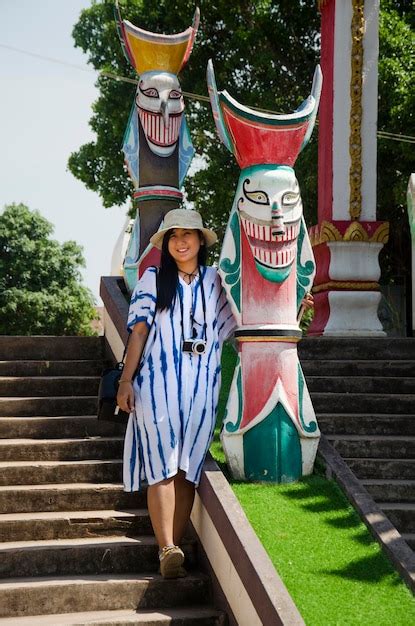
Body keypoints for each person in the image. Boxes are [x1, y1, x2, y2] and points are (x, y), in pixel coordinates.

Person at [116, 208, 236, 579]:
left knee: (188, 471)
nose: (181, 241)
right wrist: (125, 380)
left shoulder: (217, 281)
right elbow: (137, 333)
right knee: (161, 467)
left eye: (188, 234)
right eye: (173, 236)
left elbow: (240, 321)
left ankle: (175, 548)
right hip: (157, 384)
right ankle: (166, 547)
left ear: (201, 240)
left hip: (203, 383)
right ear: (166, 244)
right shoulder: (154, 278)